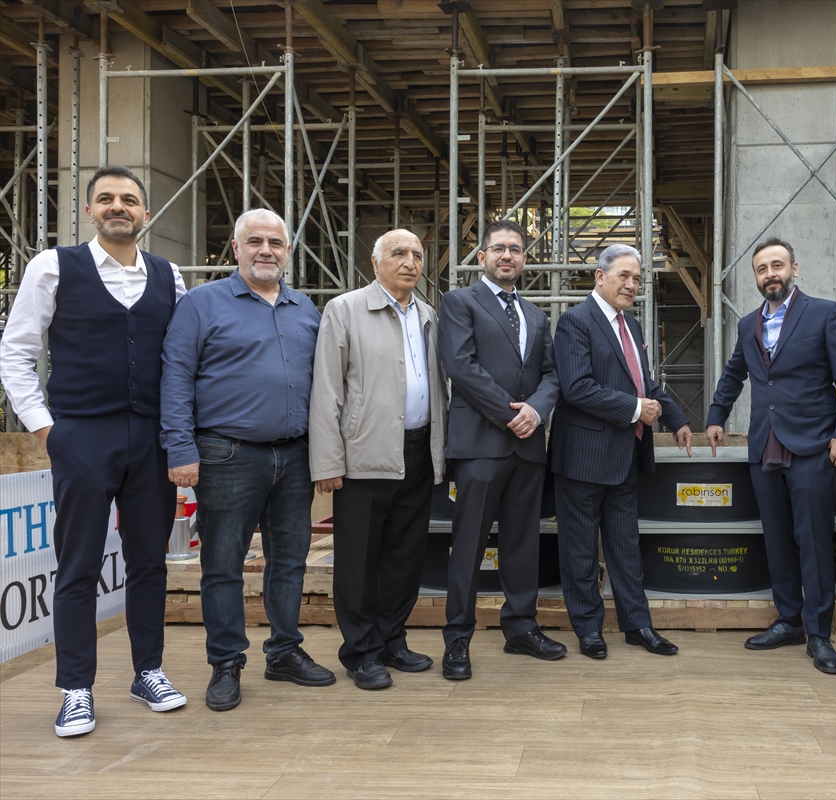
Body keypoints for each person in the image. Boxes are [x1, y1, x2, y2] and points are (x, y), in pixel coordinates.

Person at [0, 165, 188, 736]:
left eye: (129, 200)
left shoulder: (169, 275)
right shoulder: (53, 267)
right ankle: (75, 687)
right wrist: (45, 431)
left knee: (150, 560)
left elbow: (180, 361)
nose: (118, 207)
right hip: (81, 434)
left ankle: (147, 670)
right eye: (106, 198)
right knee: (78, 563)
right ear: (89, 211)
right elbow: (17, 352)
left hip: (150, 437)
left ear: (145, 214)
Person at [160, 208, 335, 712]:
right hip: (225, 454)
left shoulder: (305, 308)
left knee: (289, 562)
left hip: (295, 455)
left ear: (287, 251)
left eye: (275, 243)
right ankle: (226, 664)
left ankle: (283, 652)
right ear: (235, 249)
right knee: (223, 565)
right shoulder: (200, 304)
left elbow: (323, 388)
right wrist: (181, 448)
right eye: (254, 241)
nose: (265, 250)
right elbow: (175, 379)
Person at [705, 237, 836, 675]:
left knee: (812, 540)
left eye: (777, 265)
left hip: (814, 444)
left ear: (795, 268)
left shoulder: (825, 314)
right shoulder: (748, 324)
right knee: (776, 538)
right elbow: (736, 371)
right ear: (755, 277)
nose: (770, 274)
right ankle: (789, 620)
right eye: (761, 269)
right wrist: (716, 415)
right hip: (765, 445)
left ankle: (820, 634)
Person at [309, 229, 447, 690]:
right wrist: (328, 462)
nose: (409, 262)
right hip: (364, 455)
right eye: (398, 253)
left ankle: (392, 639)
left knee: (404, 556)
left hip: (417, 452)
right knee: (358, 559)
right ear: (375, 262)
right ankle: (361, 651)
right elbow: (327, 390)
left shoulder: (428, 315)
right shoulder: (345, 310)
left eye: (416, 254)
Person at [550, 244, 693, 659]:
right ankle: (589, 629)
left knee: (626, 546)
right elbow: (576, 387)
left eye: (637, 278)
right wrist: (635, 410)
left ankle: (637, 625)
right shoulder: (575, 322)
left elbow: (643, 383)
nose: (632, 285)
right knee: (579, 550)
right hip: (583, 457)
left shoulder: (632, 325)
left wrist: (676, 419)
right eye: (623, 276)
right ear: (599, 276)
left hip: (626, 457)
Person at [437, 219, 566, 679]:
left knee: (521, 544)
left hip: (529, 447)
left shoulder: (536, 315)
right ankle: (457, 639)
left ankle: (521, 627)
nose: (506, 255)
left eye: (515, 249)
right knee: (468, 545)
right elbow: (461, 366)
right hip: (481, 444)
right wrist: (511, 414)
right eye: (498, 248)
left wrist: (536, 409)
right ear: (482, 257)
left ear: (525, 259)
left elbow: (553, 375)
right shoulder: (459, 302)